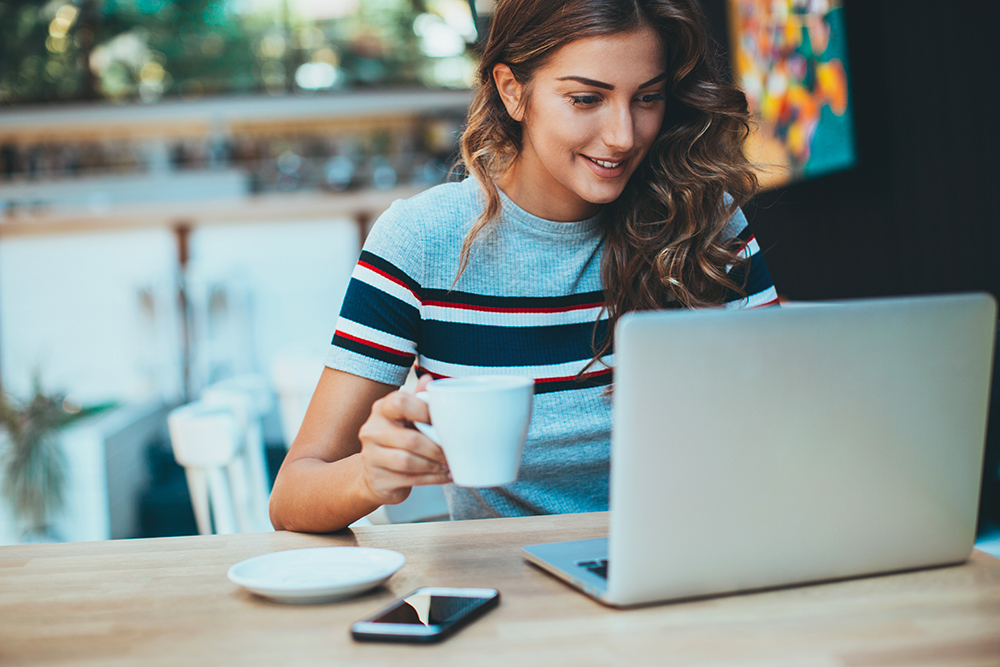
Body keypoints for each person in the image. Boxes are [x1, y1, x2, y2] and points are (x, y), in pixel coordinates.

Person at [269, 0, 779, 533]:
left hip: (690, 564)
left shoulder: (706, 221)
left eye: (647, 98)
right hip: (509, 594)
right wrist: (371, 476)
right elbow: (292, 496)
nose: (624, 135)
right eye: (586, 99)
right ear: (513, 91)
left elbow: (786, 416)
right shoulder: (423, 240)